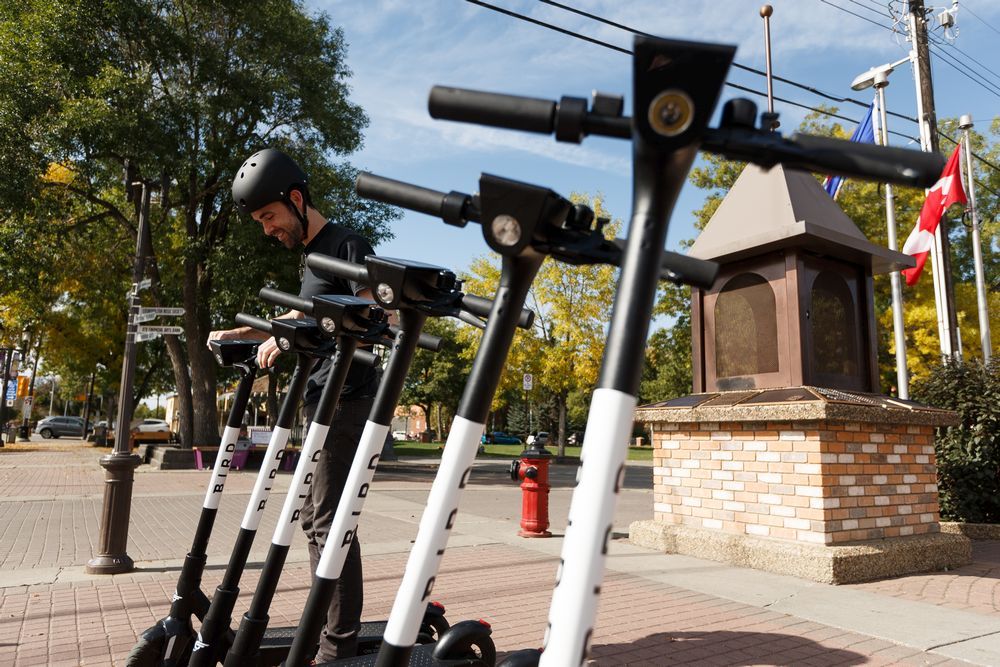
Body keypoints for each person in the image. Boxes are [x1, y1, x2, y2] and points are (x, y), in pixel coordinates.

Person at [208, 148, 379, 660]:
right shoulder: (313, 255)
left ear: (297, 200)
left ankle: (337, 644)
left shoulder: (345, 243)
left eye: (269, 217)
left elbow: (371, 315)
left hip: (346, 399)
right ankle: (330, 630)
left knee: (328, 521)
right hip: (319, 401)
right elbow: (308, 315)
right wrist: (245, 331)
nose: (267, 230)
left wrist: (289, 339)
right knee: (313, 519)